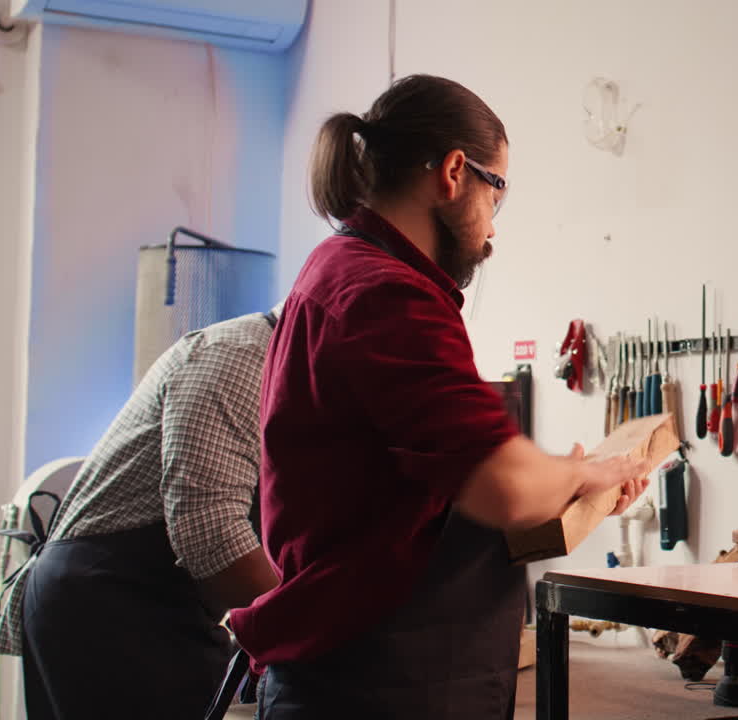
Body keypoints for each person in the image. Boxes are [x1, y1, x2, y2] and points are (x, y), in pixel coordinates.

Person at [230, 74, 646, 719]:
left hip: (382, 669)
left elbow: (446, 482)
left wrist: (565, 481)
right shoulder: (386, 296)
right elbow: (504, 486)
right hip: (377, 684)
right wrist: (589, 471)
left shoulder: (340, 268)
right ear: (455, 172)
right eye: (497, 193)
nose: (491, 231)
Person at [0, 305, 283, 719]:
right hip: (109, 599)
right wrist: (315, 630)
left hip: (162, 600)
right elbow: (214, 537)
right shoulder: (239, 355)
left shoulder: (297, 379)